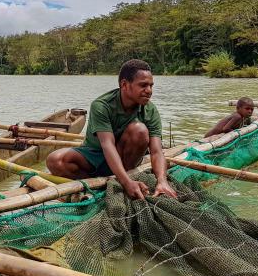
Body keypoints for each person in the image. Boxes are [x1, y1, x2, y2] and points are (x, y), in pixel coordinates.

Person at [47, 59, 177, 200]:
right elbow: (107, 145)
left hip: (126, 158)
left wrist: (162, 181)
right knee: (55, 160)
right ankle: (102, 183)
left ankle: (125, 176)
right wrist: (126, 183)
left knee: (139, 130)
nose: (149, 91)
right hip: (96, 155)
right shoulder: (101, 106)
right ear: (124, 85)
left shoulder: (150, 110)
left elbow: (157, 152)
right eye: (143, 85)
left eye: (151, 86)